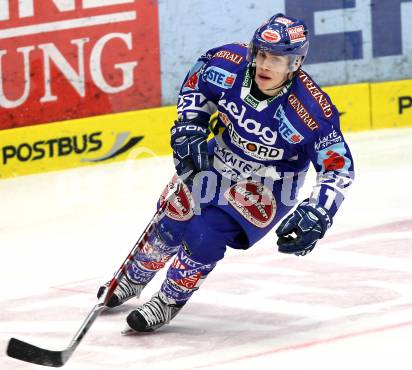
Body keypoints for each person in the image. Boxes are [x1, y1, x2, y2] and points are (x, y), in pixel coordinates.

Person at [98, 13, 355, 333]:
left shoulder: (311, 110)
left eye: (276, 59)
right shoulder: (227, 63)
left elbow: (338, 166)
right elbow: (197, 82)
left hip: (270, 183)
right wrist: (190, 126)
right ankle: (135, 276)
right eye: (261, 54)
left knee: (205, 232)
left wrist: (319, 211)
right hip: (221, 156)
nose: (265, 64)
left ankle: (168, 299)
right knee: (174, 214)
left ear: (295, 64)